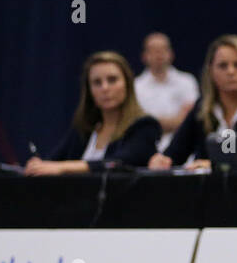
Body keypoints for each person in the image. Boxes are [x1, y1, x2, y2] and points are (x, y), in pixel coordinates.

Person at [149, 34, 237, 170]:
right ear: (211, 71)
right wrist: (162, 161)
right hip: (208, 190)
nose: (231, 71)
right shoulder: (202, 110)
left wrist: (214, 166)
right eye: (223, 66)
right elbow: (174, 154)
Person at [27, 51, 163, 175]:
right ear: (89, 91)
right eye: (97, 82)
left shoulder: (145, 126)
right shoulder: (85, 128)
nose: (105, 88)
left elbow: (118, 163)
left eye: (112, 80)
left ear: (127, 84)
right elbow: (53, 162)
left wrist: (63, 167)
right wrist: (39, 166)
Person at [134, 32, 199, 150]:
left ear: (171, 54)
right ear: (144, 56)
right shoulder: (135, 87)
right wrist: (175, 121)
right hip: (145, 151)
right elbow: (137, 124)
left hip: (184, 150)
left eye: (163, 49)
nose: (159, 54)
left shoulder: (187, 82)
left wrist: (151, 123)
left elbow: (190, 121)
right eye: (153, 50)